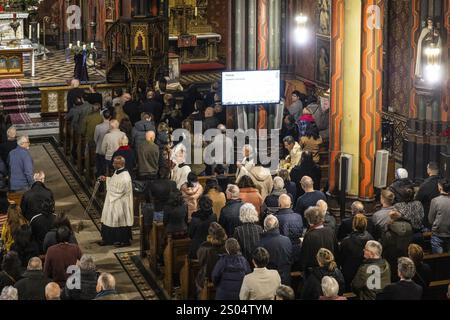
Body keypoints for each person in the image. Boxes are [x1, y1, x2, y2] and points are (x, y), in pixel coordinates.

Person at [98, 156, 134, 246]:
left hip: (120, 203)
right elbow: (115, 181)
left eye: (115, 163)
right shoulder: (118, 171)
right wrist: (106, 179)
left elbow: (119, 190)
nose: (113, 164)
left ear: (120, 164)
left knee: (119, 221)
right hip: (113, 200)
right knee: (109, 219)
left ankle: (123, 241)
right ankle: (109, 239)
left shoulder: (125, 176)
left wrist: (109, 187)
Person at [339, 214, 374, 290]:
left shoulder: (346, 241)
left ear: (353, 224)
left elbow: (341, 259)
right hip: (367, 274)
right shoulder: (371, 239)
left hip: (349, 274)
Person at [300, 206, 338, 273]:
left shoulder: (309, 235)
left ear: (309, 220)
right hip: (330, 269)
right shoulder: (330, 231)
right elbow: (336, 250)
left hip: (314, 272)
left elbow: (304, 257)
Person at [259, 215, 292, 285]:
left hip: (269, 282)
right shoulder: (287, 240)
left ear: (265, 227)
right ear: (277, 226)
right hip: (285, 280)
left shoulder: (261, 243)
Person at [195, 222, 227, 294]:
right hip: (224, 279)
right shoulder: (227, 247)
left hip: (208, 278)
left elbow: (200, 261)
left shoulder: (205, 248)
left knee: (198, 280)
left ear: (210, 235)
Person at [381, 210, 413, 281]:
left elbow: (384, 244)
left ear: (392, 219)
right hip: (406, 255)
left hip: (393, 259)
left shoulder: (389, 232)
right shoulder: (409, 226)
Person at [415, 162, 441, 228]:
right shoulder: (443, 183)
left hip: (428, 218)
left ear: (428, 170)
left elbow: (417, 200)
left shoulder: (425, 185)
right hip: (442, 217)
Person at [428, 179, 450, 253]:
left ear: (440, 188)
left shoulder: (435, 201)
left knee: (439, 261)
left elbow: (430, 219)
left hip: (437, 234)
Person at [94, 109, 112, 177]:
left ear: (102, 116)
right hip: (110, 151)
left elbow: (95, 139)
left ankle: (100, 183)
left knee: (100, 168)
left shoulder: (98, 127)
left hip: (100, 150)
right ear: (110, 117)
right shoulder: (112, 126)